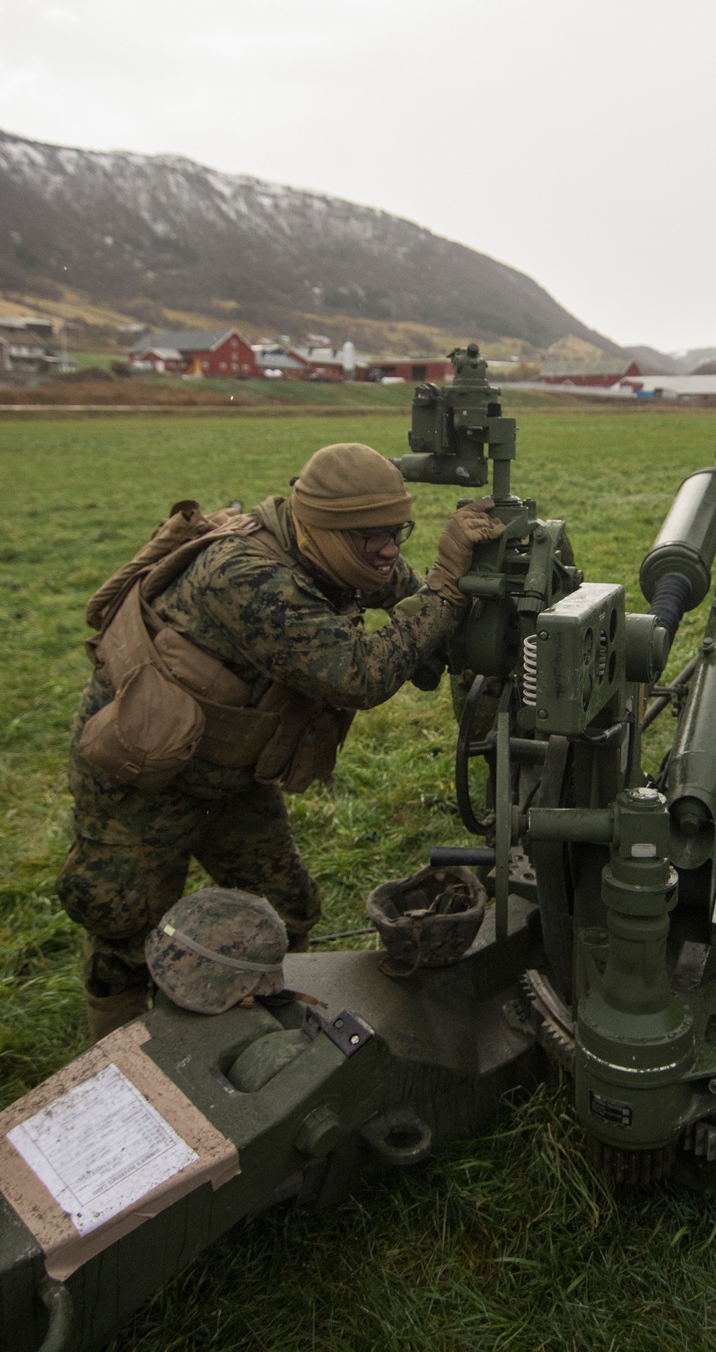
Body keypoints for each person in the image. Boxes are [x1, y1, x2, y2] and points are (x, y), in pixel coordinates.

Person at [57, 442, 505, 1040]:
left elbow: (400, 590)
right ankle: (114, 1065)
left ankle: (257, 1036)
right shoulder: (248, 576)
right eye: (371, 536)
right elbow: (359, 675)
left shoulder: (334, 552)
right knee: (123, 926)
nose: (390, 549)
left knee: (285, 906)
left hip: (227, 774)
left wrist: (461, 606)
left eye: (398, 531)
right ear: (319, 527)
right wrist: (447, 586)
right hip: (141, 772)